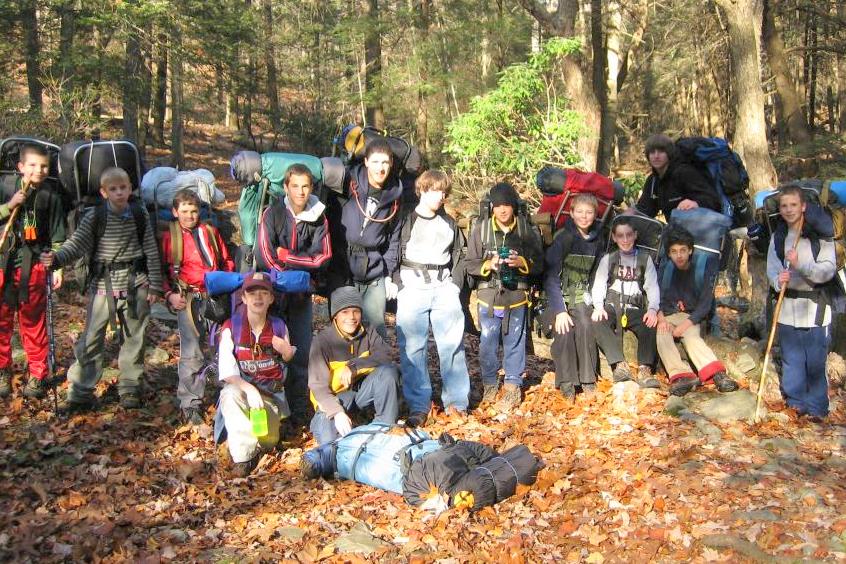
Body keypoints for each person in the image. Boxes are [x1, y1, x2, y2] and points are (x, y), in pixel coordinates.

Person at [40, 167, 162, 412]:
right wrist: (56, 259)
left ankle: (129, 387)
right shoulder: (95, 217)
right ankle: (80, 392)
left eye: (123, 188)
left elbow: (150, 249)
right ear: (104, 192)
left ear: (130, 188)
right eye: (113, 189)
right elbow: (76, 244)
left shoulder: (139, 214)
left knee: (134, 339)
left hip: (135, 283)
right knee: (91, 339)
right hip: (103, 285)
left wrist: (156, 284)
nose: (119, 193)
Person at [255, 163, 332, 426]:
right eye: (295, 186)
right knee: (271, 350)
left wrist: (288, 257)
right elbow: (264, 254)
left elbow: (323, 258)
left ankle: (298, 409)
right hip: (272, 298)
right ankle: (275, 410)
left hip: (301, 297)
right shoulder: (272, 213)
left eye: (305, 186)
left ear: (312, 188)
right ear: (286, 187)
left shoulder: (319, 216)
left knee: (300, 351)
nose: (300, 192)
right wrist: (287, 275)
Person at [395, 170, 469, 424]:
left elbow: (461, 255)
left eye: (444, 192)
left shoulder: (448, 223)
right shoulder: (406, 220)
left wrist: (455, 285)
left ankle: (457, 403)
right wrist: (396, 283)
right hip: (412, 287)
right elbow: (393, 251)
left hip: (443, 288)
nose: (441, 197)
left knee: (452, 345)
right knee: (413, 348)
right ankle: (419, 405)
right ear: (422, 190)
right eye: (435, 191)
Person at [466, 182, 543, 410]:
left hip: (517, 295)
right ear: (491, 207)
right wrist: (489, 264)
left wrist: (522, 263)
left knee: (515, 343)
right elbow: (470, 263)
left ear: (514, 207)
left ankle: (513, 386)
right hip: (488, 296)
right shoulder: (481, 229)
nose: (502, 210)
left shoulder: (526, 230)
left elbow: (540, 264)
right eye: (498, 205)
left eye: (507, 205)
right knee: (488, 343)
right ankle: (490, 384)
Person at [161, 189, 236, 424]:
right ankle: (190, 402)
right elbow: (161, 271)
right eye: (184, 211)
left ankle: (227, 394)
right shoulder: (170, 237)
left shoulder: (210, 232)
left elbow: (226, 260)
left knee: (222, 347)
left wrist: (228, 282)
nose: (190, 216)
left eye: (194, 211)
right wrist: (169, 294)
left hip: (215, 295)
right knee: (192, 352)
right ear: (175, 212)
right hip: (189, 298)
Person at [0, 144, 66, 399]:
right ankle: (3, 370)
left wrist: (57, 265)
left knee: (33, 322)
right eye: (32, 165)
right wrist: (9, 205)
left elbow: (59, 235)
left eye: (44, 166)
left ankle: (38, 374)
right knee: (3, 320)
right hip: (4, 263)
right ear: (20, 167)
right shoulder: (5, 186)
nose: (38, 170)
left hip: (35, 266)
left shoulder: (51, 196)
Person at [216, 271, 296, 476]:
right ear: (243, 298)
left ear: (271, 298)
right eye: (252, 293)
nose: (258, 298)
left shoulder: (278, 326)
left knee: (267, 442)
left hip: (270, 402)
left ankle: (253, 444)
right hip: (243, 397)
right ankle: (244, 459)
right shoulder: (231, 327)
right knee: (229, 393)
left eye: (263, 293)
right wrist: (249, 389)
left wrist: (286, 351)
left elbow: (287, 359)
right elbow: (226, 371)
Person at [766, 185, 836, 419]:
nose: (788, 210)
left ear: (803, 206)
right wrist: (778, 279)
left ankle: (817, 409)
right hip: (787, 308)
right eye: (784, 206)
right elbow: (772, 269)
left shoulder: (820, 236)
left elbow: (827, 271)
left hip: (816, 307)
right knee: (792, 360)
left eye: (793, 205)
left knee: (815, 360)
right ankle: (795, 405)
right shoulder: (778, 236)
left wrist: (799, 265)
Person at [308, 286, 400, 445]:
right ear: (335, 315)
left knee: (388, 372)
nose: (351, 317)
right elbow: (318, 386)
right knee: (330, 442)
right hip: (333, 399)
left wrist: (354, 366)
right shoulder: (322, 341)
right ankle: (325, 426)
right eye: (344, 312)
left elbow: (386, 355)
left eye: (356, 311)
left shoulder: (368, 330)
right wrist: (336, 413)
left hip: (361, 394)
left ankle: (385, 428)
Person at [656, 225, 739, 396]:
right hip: (668, 315)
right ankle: (680, 376)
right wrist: (661, 318)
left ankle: (717, 374)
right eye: (674, 251)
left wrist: (684, 325)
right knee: (661, 334)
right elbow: (655, 297)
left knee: (692, 337)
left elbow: (705, 304)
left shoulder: (702, 267)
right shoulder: (665, 268)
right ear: (669, 253)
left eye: (683, 250)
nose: (679, 255)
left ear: (690, 250)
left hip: (691, 316)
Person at [338, 140, 404, 337]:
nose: (380, 168)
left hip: (374, 271)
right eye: (375, 162)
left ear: (391, 163)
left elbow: (393, 239)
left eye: (384, 162)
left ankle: (377, 368)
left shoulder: (395, 196)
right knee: (344, 330)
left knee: (376, 332)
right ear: (366, 161)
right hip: (344, 267)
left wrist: (388, 274)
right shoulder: (349, 183)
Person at [542, 194, 605, 400]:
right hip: (556, 297)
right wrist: (560, 311)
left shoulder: (598, 241)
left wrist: (598, 304)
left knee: (586, 325)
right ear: (571, 212)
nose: (584, 217)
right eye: (579, 212)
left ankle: (587, 379)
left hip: (581, 297)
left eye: (589, 212)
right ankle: (567, 381)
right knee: (565, 329)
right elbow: (550, 277)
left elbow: (596, 275)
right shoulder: (563, 238)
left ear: (595, 215)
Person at [590, 217, 660, 386]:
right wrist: (598, 306)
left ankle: (645, 369)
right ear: (614, 237)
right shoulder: (609, 259)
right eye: (620, 236)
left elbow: (652, 287)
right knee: (598, 321)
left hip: (634, 307)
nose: (625, 240)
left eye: (629, 235)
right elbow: (598, 284)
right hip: (613, 305)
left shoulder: (645, 259)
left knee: (650, 323)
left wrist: (652, 309)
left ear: (635, 235)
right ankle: (619, 365)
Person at [634, 134, 722, 219]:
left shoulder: (684, 173)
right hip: (674, 230)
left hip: (700, 228)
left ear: (669, 153)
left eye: (661, 152)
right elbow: (645, 210)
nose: (656, 156)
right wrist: (631, 215)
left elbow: (713, 200)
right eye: (652, 152)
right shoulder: (653, 180)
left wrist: (695, 203)